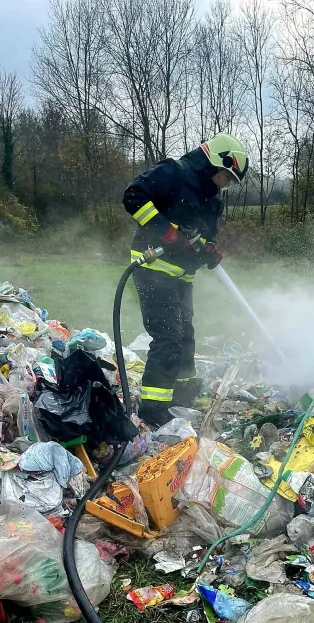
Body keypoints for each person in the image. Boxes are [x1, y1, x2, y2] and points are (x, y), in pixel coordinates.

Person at [123, 134, 248, 427]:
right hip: (153, 270)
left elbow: (199, 239)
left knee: (186, 336)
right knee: (168, 338)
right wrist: (165, 231)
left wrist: (209, 251)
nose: (226, 185)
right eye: (227, 177)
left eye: (231, 182)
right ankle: (153, 409)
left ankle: (183, 393)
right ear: (215, 161)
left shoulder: (211, 202)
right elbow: (133, 196)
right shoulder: (174, 173)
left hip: (181, 278)